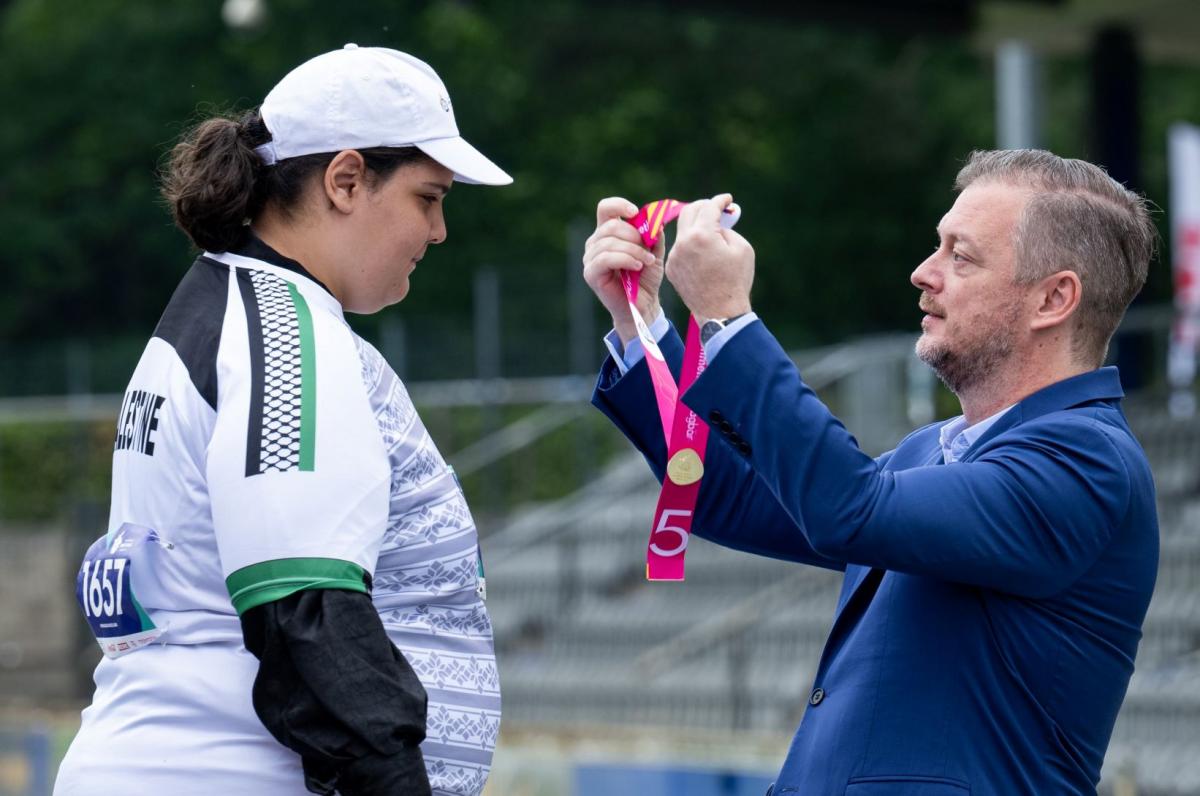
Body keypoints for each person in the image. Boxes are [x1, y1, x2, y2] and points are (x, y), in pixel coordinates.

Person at [583, 149, 1159, 794]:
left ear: (1054, 298)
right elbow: (731, 498)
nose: (922, 273)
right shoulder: (931, 452)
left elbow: (844, 506)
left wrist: (727, 317)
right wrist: (642, 326)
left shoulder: (1085, 460)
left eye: (959, 255)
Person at [55, 44, 507, 796]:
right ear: (346, 180)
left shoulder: (218, 304)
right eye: (430, 198)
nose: (438, 232)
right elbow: (307, 615)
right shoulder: (286, 339)